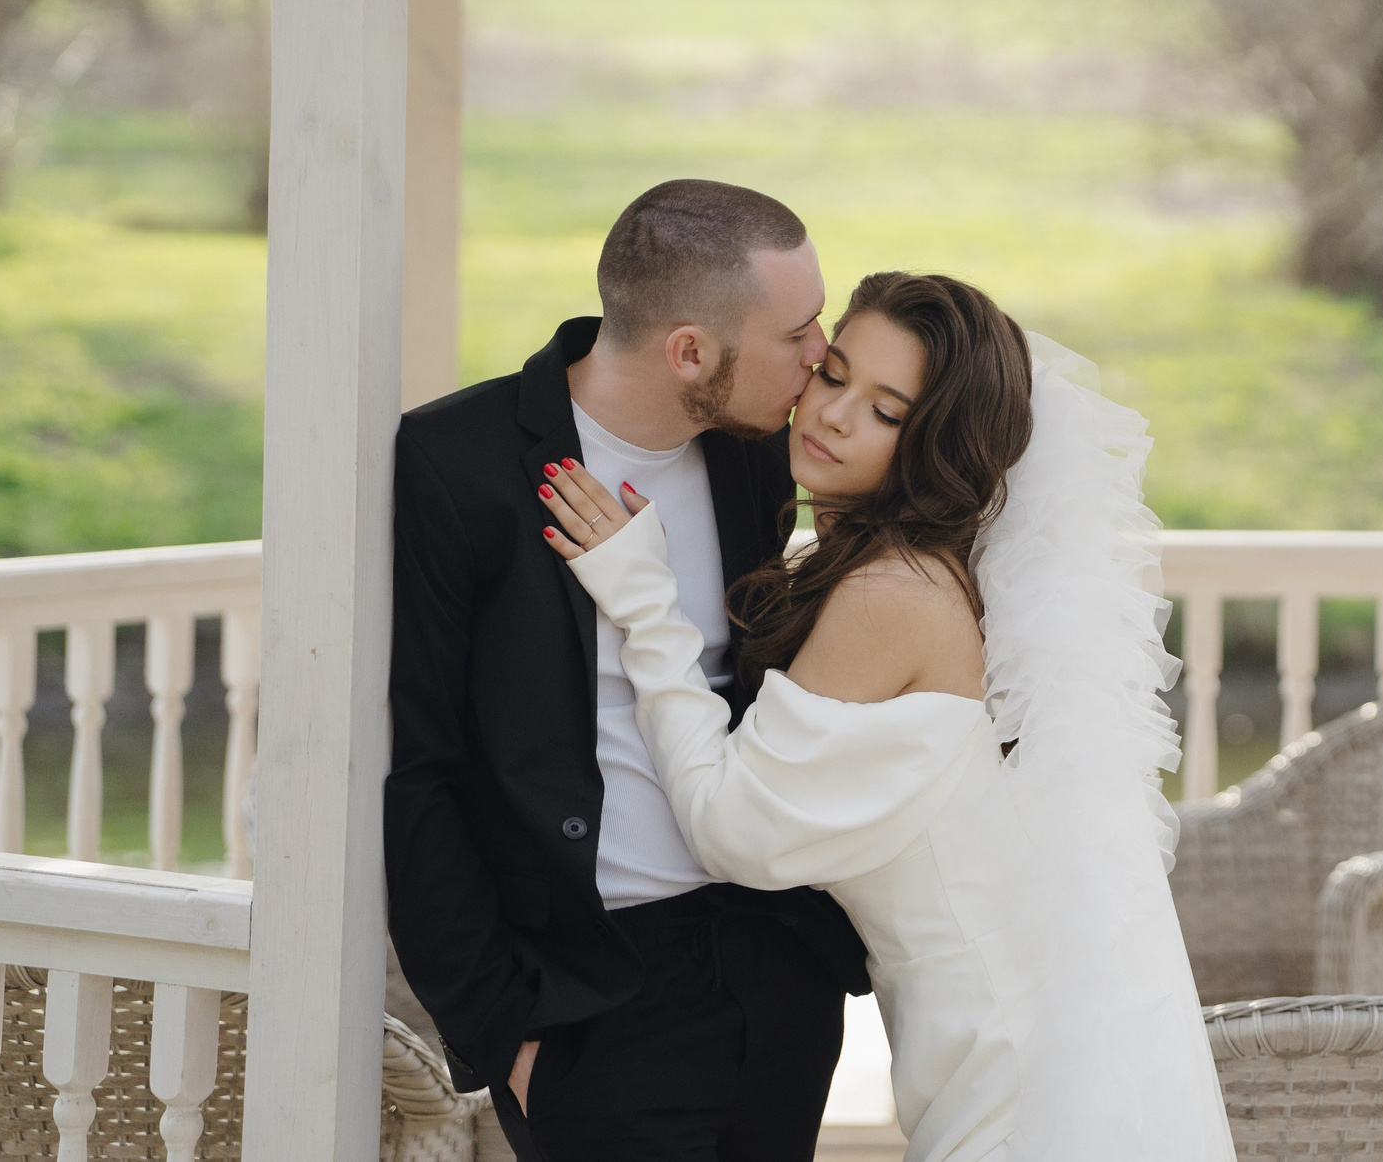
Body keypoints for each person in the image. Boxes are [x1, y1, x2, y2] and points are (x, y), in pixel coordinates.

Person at [535, 271, 1236, 1162]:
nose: (832, 415)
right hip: (1004, 1042)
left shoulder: (891, 592)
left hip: (1010, 1080)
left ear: (935, 443)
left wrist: (645, 600)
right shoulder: (934, 571)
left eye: (887, 410)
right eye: (832, 375)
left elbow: (731, 830)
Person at [385, 180, 870, 1162]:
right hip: (591, 1005)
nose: (823, 355)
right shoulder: (457, 463)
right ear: (688, 350)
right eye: (798, 330)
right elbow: (422, 769)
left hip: (777, 968)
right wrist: (508, 1036)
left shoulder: (759, 456)